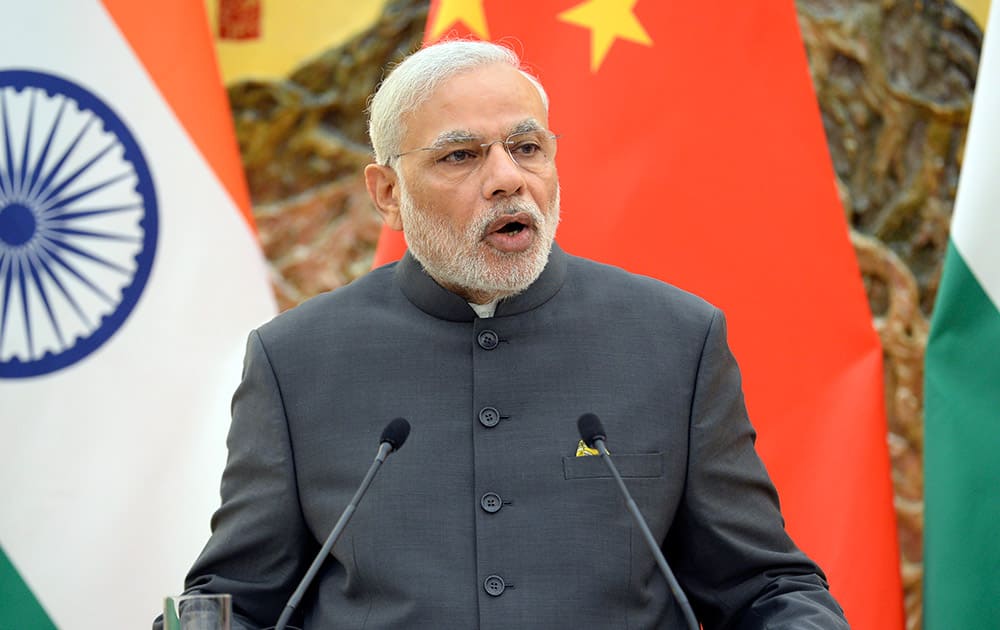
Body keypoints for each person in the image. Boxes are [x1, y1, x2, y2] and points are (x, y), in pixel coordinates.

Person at [160, 40, 849, 629]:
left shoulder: (676, 340)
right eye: (460, 156)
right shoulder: (296, 361)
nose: (507, 179)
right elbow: (238, 598)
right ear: (387, 193)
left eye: (527, 147)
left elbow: (763, 587)